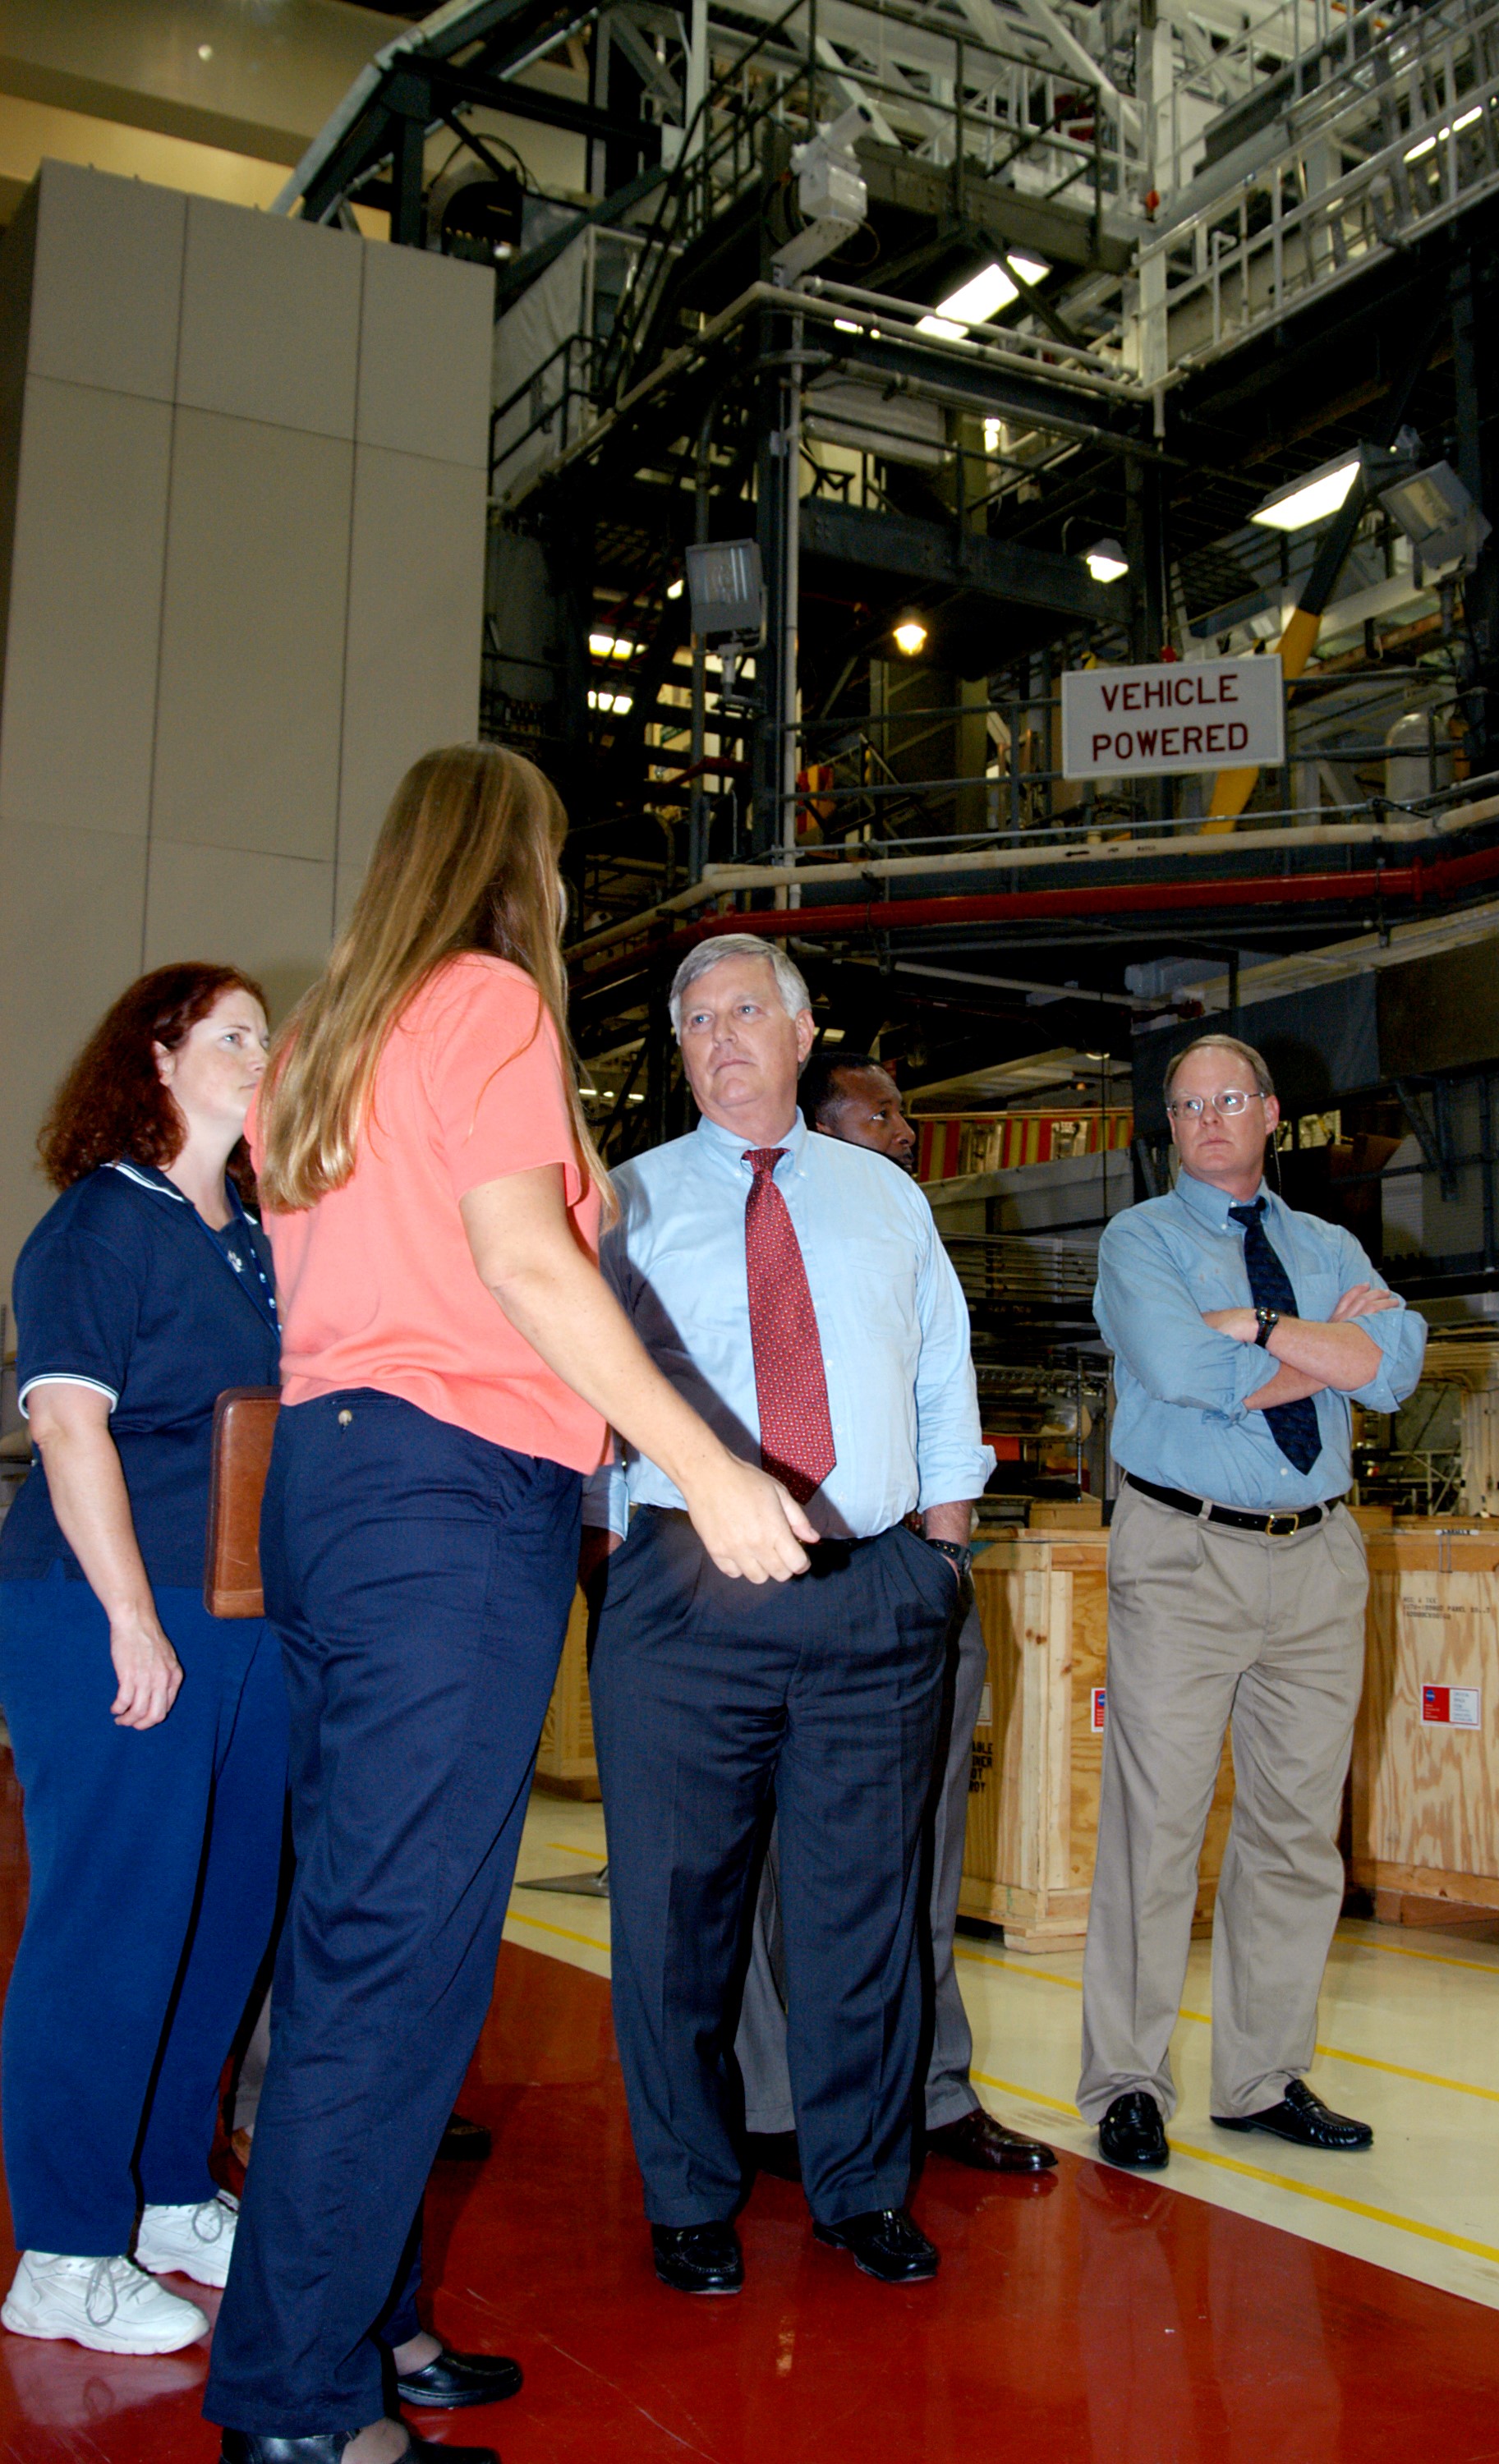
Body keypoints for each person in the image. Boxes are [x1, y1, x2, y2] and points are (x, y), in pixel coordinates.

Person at [202, 748, 808, 2464]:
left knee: (358, 1923)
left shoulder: (326, 1037)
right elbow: (519, 1264)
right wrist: (708, 1462)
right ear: (507, 864)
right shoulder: (483, 999)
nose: (557, 887)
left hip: (333, 1492)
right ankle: (297, 2403)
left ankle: (367, 2322)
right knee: (396, 1955)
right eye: (549, 856)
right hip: (447, 1505)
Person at [583, 938, 996, 2296]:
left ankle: (862, 2186)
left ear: (805, 1030)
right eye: (693, 1019)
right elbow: (582, 1405)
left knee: (859, 1914)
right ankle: (690, 2192)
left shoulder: (886, 1200)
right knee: (672, 1914)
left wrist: (938, 1549)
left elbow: (943, 1368)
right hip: (684, 1595)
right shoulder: (622, 1203)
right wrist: (619, 1565)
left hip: (874, 1591)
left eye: (746, 1009)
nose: (719, 1036)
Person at [0, 965, 287, 2355]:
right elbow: (68, 1427)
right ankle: (60, 2249)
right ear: (160, 1058)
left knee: (221, 1924)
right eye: (236, 1034)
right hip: (108, 1612)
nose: (262, 1053)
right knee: (109, 1931)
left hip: (244, 1623)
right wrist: (128, 1614)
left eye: (266, 1037)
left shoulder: (259, 1239)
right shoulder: (102, 1225)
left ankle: (170, 2193)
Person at [1078, 1033, 1426, 2172]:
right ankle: (1127, 2080)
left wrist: (1270, 1330)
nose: (1208, 1118)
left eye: (1229, 1099)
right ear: (1170, 1124)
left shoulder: (1324, 1244)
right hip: (1184, 1554)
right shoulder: (1141, 1242)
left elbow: (1404, 1361)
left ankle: (1261, 2077)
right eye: (1186, 1105)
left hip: (1317, 1562)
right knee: (1157, 1827)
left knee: (1293, 1833)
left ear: (1272, 1113)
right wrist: (1337, 1353)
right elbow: (1185, 1373)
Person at [736, 1049, 1055, 2178]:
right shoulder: (739, 1226)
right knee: (774, 1859)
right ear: (815, 1126)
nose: (906, 1131)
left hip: (910, 1569)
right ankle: (772, 2103)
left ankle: (931, 2089)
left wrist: (944, 1559)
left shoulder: (905, 1229)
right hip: (767, 1578)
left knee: (924, 1842)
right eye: (881, 1116)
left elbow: (948, 1382)